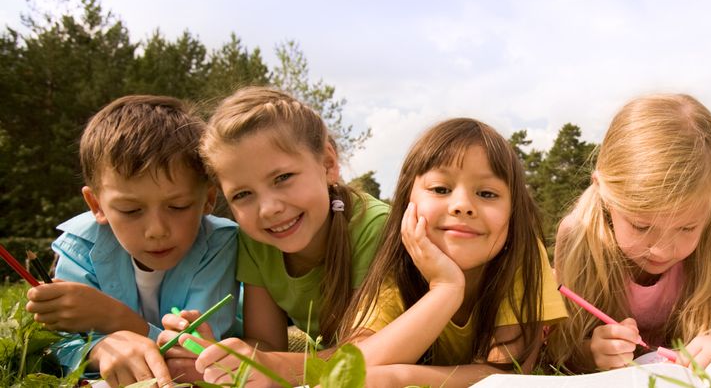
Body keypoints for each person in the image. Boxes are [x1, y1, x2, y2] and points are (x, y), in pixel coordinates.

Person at [162, 86, 388, 385]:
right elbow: (267, 344)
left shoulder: (374, 226)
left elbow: (371, 354)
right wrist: (215, 355)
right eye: (243, 194)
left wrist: (272, 365)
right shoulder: (257, 240)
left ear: (328, 164)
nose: (268, 209)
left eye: (282, 178)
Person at [548, 94, 711, 372]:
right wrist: (591, 353)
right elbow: (559, 348)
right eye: (641, 226)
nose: (661, 250)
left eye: (687, 227)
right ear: (604, 193)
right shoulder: (579, 234)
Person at [25, 95, 239, 387]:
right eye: (130, 210)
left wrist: (115, 319)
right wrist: (100, 350)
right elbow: (58, 347)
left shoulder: (219, 243)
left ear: (208, 199)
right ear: (96, 205)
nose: (156, 230)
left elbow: (196, 351)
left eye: (177, 207)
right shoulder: (79, 248)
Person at [338, 118, 567, 387]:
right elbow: (350, 370)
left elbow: (508, 373)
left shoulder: (523, 257)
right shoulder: (396, 268)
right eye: (440, 189)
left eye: (487, 193)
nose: (462, 206)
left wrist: (400, 377)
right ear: (405, 203)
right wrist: (446, 288)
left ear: (512, 215)